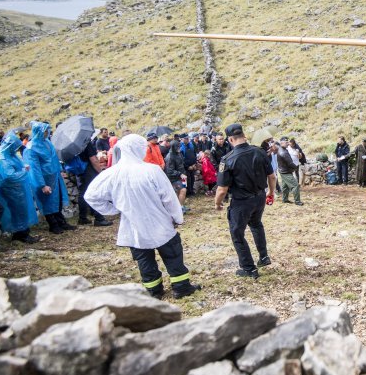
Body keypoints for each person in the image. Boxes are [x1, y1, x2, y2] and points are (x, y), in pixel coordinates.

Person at [84, 135, 200, 299]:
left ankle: (153, 291)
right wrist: (177, 217)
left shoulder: (111, 173)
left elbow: (91, 196)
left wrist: (114, 209)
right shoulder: (151, 170)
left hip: (133, 224)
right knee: (172, 254)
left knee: (144, 259)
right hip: (159, 220)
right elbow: (168, 198)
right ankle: (181, 287)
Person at [214, 124, 276, 279]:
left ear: (230, 139)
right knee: (256, 224)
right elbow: (272, 176)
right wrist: (271, 192)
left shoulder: (227, 159)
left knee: (237, 233)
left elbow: (222, 189)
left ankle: (249, 268)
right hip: (259, 197)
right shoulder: (259, 152)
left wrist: (217, 203)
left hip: (241, 202)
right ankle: (263, 256)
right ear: (244, 135)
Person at [0, 131, 40, 245]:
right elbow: (9, 176)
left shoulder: (7, 154)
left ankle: (22, 233)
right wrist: (24, 171)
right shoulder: (2, 158)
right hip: (11, 190)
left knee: (20, 210)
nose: (16, 149)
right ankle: (21, 235)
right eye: (15, 147)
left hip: (16, 189)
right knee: (19, 211)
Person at [28, 121, 75, 234]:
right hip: (44, 179)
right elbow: (34, 168)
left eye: (47, 131)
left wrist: (60, 170)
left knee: (57, 201)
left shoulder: (47, 142)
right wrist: (42, 185)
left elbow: (54, 158)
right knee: (47, 202)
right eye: (44, 131)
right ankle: (53, 225)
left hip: (55, 177)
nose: (46, 133)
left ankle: (61, 222)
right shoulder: (32, 147)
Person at [75, 136, 112, 227]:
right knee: (95, 192)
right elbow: (94, 160)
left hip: (79, 170)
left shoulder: (74, 144)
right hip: (89, 170)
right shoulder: (85, 143)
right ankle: (99, 218)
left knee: (82, 193)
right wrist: (100, 172)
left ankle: (82, 218)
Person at [277, 137, 303, 205]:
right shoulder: (283, 152)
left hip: (283, 170)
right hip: (285, 172)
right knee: (295, 185)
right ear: (281, 143)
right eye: (286, 142)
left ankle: (285, 199)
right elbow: (290, 163)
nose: (288, 143)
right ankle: (297, 201)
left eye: (288, 142)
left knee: (285, 186)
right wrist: (295, 167)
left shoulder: (282, 149)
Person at [163, 137, 188, 207]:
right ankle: (180, 208)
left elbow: (181, 163)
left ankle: (180, 206)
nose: (179, 148)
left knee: (181, 191)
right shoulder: (170, 157)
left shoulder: (178, 153)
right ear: (173, 147)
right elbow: (169, 170)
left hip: (182, 175)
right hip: (174, 178)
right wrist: (180, 174)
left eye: (179, 146)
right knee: (183, 190)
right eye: (177, 147)